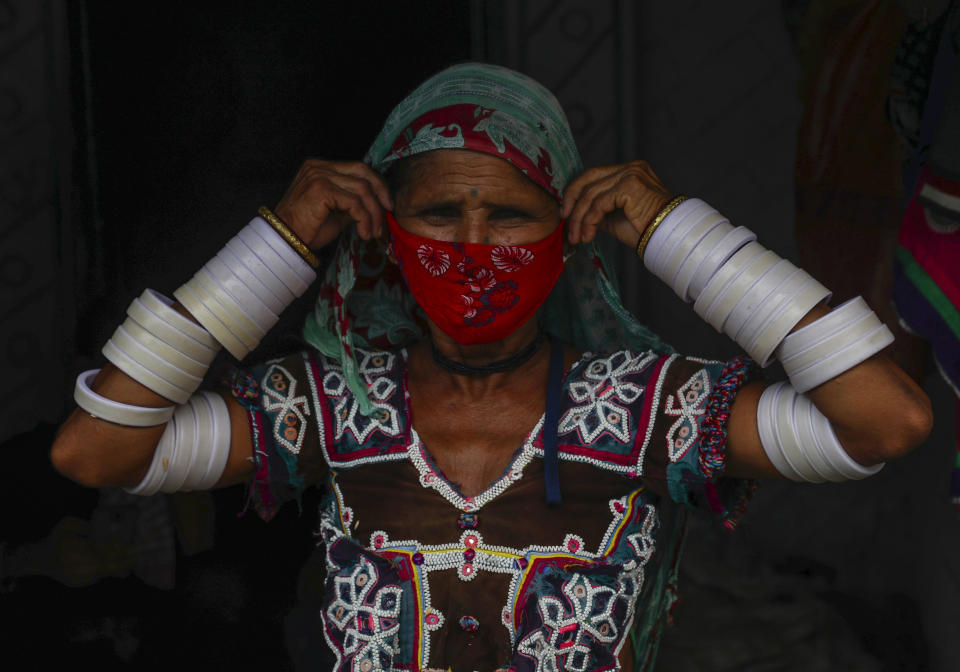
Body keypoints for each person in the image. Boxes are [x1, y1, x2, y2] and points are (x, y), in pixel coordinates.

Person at [51, 63, 933, 672]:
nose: (473, 249)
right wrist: (274, 244)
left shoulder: (639, 406)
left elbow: (885, 420)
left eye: (509, 216)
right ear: (388, 238)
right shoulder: (328, 403)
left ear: (565, 237)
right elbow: (96, 455)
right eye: (437, 213)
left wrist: (678, 231)